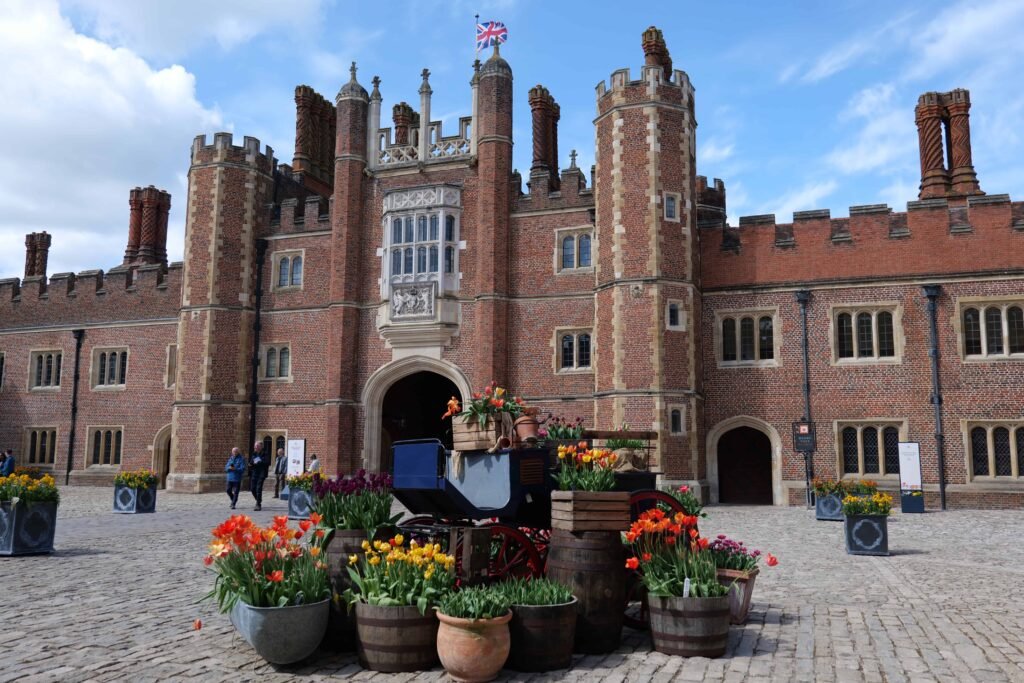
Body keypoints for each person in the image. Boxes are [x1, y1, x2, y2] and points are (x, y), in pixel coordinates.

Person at [248, 441, 269, 511]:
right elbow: (251, 462)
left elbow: (267, 462)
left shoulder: (265, 454)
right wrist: (250, 464)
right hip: (254, 472)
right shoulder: (254, 454)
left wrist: (259, 462)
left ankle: (258, 504)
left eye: (257, 446)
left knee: (258, 488)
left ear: (261, 447)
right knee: (252, 489)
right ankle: (258, 499)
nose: (255, 447)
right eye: (255, 446)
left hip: (261, 473)